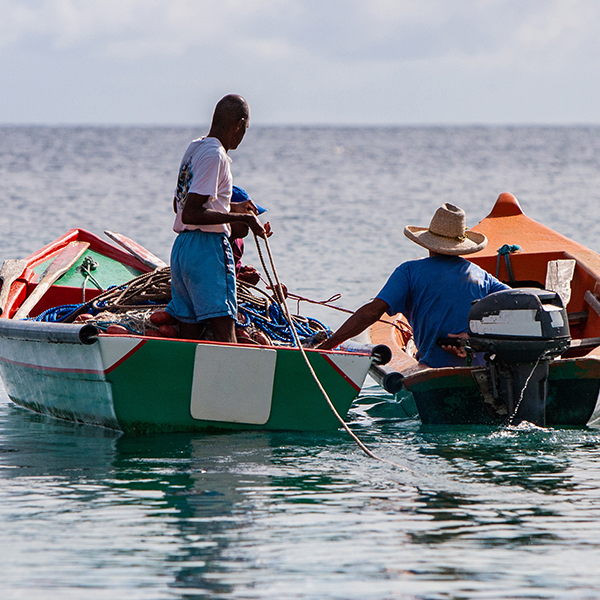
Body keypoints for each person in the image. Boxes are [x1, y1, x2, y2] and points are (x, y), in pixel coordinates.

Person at [318, 203, 510, 367]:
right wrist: (471, 337)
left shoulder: (409, 271)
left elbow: (372, 313)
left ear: (428, 242)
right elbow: (519, 303)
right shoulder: (481, 275)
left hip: (433, 367)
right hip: (481, 368)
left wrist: (330, 344)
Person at [166, 94, 266, 342]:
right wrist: (244, 220)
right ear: (239, 124)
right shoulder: (216, 155)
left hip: (183, 250)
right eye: (246, 128)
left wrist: (234, 207)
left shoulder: (196, 148)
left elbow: (179, 205)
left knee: (189, 334)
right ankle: (233, 380)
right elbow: (192, 211)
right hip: (207, 250)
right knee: (224, 332)